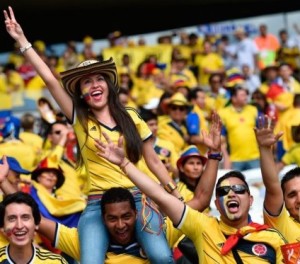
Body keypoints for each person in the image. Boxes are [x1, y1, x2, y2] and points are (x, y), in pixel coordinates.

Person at [3, 6, 180, 263]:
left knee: (162, 257)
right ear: (82, 93)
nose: (93, 84)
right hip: (98, 205)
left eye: (98, 79)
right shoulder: (80, 119)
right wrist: (22, 41)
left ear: (108, 86)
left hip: (138, 199)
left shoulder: (131, 116)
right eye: (86, 82)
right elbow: (51, 81)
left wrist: (173, 195)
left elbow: (153, 161)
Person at [95, 125, 287, 263]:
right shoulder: (202, 226)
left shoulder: (272, 237)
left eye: (239, 190)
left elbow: (273, 189)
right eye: (223, 191)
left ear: (251, 199)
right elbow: (160, 195)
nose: (231, 194)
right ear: (216, 204)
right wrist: (125, 164)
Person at [254, 115, 300, 242]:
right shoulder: (282, 224)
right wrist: (264, 149)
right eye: (292, 195)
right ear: (283, 201)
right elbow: (272, 186)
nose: (299, 199)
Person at [0, 191, 68, 263]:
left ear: (36, 224)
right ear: (2, 226)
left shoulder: (56, 262)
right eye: (12, 218)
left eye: (25, 217)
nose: (19, 226)